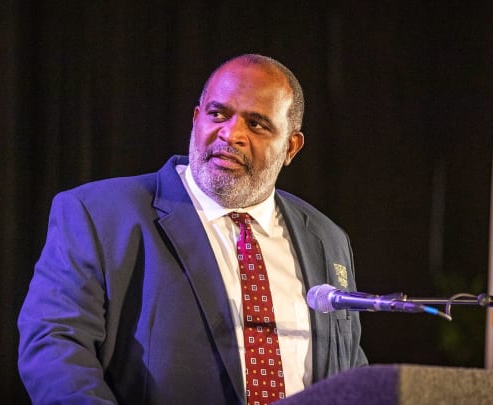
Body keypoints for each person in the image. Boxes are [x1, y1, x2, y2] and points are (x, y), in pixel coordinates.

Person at [18, 54, 368, 404]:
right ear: (196, 118)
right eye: (218, 114)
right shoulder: (100, 214)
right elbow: (55, 345)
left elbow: (349, 368)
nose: (231, 134)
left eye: (257, 124)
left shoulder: (326, 239)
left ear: (291, 146)